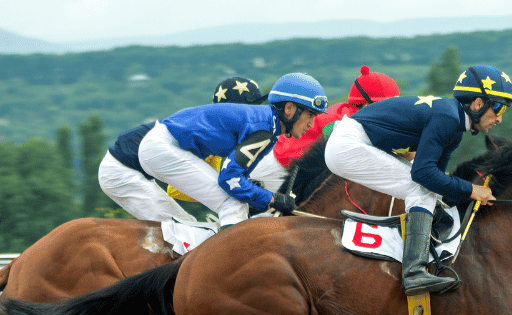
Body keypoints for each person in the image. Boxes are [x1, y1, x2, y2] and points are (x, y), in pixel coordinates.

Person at [324, 65, 512, 295]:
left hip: (353, 142)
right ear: (477, 103)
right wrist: (471, 190)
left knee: (428, 191)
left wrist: (469, 195)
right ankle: (414, 272)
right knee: (422, 189)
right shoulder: (447, 117)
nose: (500, 118)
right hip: (348, 145)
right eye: (499, 107)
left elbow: (437, 181)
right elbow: (423, 176)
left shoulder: (454, 128)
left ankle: (418, 259)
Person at [136, 73, 327, 229]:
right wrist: (272, 198)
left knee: (236, 201)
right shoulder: (264, 130)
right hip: (163, 148)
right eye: (310, 114)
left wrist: (263, 197)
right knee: (232, 204)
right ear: (289, 108)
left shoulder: (269, 127)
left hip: (161, 146)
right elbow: (229, 179)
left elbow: (233, 176)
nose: (311, 124)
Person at [98, 77, 266, 222]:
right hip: (121, 172)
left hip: (130, 164)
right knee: (182, 227)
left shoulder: (216, 128)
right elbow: (176, 190)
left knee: (188, 225)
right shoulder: (214, 135)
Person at [250, 65, 400, 193]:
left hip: (286, 163)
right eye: (386, 106)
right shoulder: (347, 121)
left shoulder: (350, 113)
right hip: (278, 168)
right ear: (366, 104)